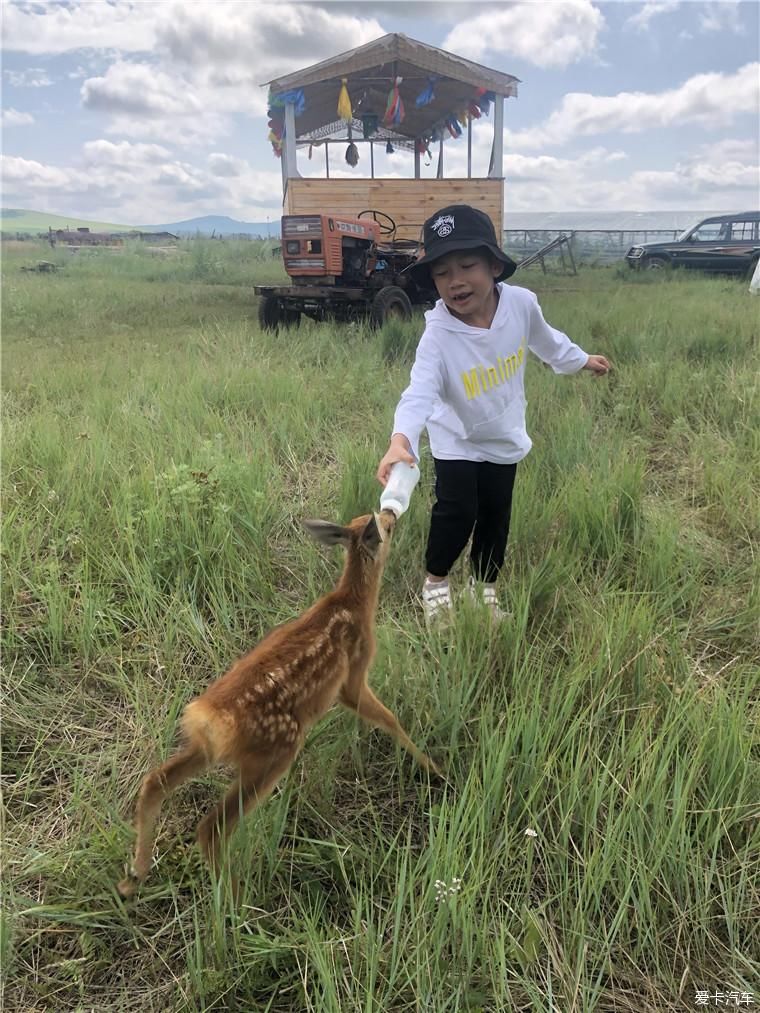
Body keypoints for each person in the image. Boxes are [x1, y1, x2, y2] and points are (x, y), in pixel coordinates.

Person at [376, 204, 610, 623]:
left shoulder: (521, 305)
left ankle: (484, 590)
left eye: (467, 264)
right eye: (442, 272)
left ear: (495, 266)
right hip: (457, 441)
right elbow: (418, 394)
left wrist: (579, 360)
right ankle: (436, 584)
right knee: (457, 513)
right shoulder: (438, 336)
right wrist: (400, 440)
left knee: (496, 518)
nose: (456, 280)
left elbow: (548, 342)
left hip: (504, 437)